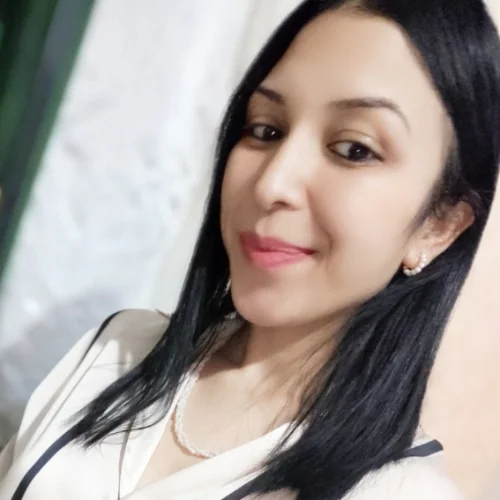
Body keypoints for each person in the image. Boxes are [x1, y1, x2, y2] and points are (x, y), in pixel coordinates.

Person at [1, 0, 500, 498]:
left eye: (354, 149)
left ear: (438, 224)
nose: (271, 183)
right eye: (265, 130)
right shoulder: (117, 352)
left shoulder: (398, 490)